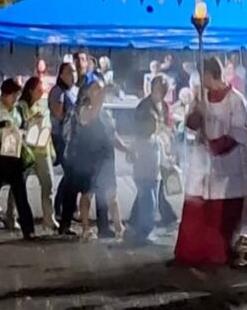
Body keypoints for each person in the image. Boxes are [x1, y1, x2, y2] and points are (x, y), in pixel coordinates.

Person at [173, 57, 247, 267]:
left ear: (210, 74)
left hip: (227, 166)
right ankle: (191, 253)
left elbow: (238, 133)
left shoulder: (236, 100)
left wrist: (215, 146)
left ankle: (221, 253)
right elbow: (191, 125)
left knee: (223, 214)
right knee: (196, 208)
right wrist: (197, 111)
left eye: (202, 74)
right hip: (202, 164)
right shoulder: (202, 99)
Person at [58, 79, 126, 239]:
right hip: (89, 158)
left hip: (106, 158)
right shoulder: (84, 110)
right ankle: (86, 229)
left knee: (111, 194)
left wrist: (126, 149)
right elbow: (85, 122)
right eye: (96, 89)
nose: (100, 93)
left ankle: (119, 227)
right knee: (87, 194)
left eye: (101, 90)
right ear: (87, 92)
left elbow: (113, 134)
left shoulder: (105, 114)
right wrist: (98, 100)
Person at [0, 78, 36, 241]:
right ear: (5, 95)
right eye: (13, 96)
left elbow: (23, 125)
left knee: (20, 193)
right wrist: (2, 126)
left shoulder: (17, 110)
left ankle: (28, 229)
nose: (15, 100)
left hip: (14, 152)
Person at [128, 75, 177, 228]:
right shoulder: (144, 106)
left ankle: (138, 218)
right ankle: (162, 216)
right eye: (157, 89)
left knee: (153, 185)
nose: (159, 93)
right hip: (147, 147)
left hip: (161, 145)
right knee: (149, 185)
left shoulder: (165, 106)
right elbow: (138, 129)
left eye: (162, 90)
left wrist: (170, 143)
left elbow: (169, 125)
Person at [18, 77, 57, 231]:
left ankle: (49, 218)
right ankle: (12, 215)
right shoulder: (21, 106)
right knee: (19, 185)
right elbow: (20, 124)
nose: (42, 91)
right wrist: (33, 121)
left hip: (43, 149)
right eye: (39, 88)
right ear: (30, 90)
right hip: (27, 150)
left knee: (48, 184)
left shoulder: (43, 105)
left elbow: (48, 127)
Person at [125, 113, 162, 245]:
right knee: (148, 203)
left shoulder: (157, 140)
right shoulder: (138, 141)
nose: (153, 126)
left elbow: (161, 158)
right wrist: (133, 157)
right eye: (151, 123)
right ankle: (144, 230)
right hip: (142, 177)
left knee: (152, 203)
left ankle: (145, 229)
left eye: (155, 123)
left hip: (155, 177)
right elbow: (129, 157)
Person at [49, 62, 76, 219]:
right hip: (60, 137)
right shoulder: (58, 92)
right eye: (69, 72)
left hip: (70, 137)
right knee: (70, 173)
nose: (73, 75)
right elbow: (58, 114)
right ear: (61, 75)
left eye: (73, 72)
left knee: (71, 175)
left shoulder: (71, 92)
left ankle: (64, 208)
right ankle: (59, 209)